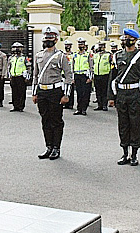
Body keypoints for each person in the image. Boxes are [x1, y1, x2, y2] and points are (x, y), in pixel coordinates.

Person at [109, 29, 140, 166]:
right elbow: (112, 76)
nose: (124, 40)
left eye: (127, 38)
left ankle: (134, 154)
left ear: (134, 40)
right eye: (124, 37)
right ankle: (125, 153)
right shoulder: (117, 56)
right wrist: (111, 97)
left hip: (135, 94)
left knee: (135, 124)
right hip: (121, 94)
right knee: (123, 124)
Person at [32, 26, 72, 160]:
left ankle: (56, 147)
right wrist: (34, 93)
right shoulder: (38, 55)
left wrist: (66, 95)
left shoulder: (61, 56)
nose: (48, 40)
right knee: (45, 120)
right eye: (46, 37)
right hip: (42, 92)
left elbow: (68, 75)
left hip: (55, 92)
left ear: (55, 39)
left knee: (56, 121)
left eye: (50, 37)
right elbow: (35, 76)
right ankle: (48, 146)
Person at [72, 37, 94, 115]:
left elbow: (91, 66)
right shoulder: (75, 55)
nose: (80, 45)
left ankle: (84, 109)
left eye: (82, 44)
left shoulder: (88, 54)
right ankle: (79, 109)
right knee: (79, 93)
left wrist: (90, 77)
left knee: (85, 93)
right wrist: (73, 77)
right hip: (77, 75)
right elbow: (72, 66)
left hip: (85, 75)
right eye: (79, 44)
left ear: (84, 45)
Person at [6, 42, 29, 112]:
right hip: (13, 76)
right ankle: (15, 106)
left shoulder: (24, 58)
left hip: (21, 77)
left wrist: (27, 77)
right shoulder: (11, 58)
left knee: (21, 92)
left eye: (18, 48)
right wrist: (9, 76)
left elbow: (29, 67)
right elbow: (9, 67)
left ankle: (21, 106)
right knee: (14, 92)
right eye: (15, 48)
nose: (16, 49)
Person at [93, 41, 111, 111]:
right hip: (97, 74)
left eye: (102, 46)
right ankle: (99, 105)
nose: (100, 48)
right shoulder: (96, 55)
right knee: (98, 90)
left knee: (104, 91)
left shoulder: (108, 55)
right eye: (99, 46)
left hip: (105, 74)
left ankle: (104, 105)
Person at [63, 40, 75, 109]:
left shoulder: (73, 55)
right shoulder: (63, 55)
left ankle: (70, 104)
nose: (67, 47)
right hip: (63, 74)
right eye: (66, 46)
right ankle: (65, 103)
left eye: (68, 46)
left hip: (70, 74)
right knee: (64, 89)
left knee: (71, 89)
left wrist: (73, 77)